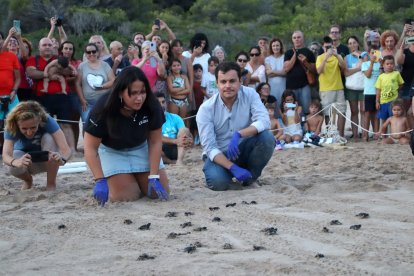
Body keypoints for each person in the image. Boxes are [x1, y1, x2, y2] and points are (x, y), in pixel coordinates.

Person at [83, 66, 169, 203]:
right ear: (120, 93)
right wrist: (100, 179)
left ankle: (139, 178)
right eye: (133, 93)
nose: (139, 98)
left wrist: (154, 176)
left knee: (158, 193)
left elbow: (155, 142)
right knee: (125, 196)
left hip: (141, 147)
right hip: (112, 151)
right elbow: (90, 148)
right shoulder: (103, 108)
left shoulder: (152, 105)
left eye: (143, 92)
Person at [196, 61, 275, 191]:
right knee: (218, 183)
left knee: (267, 137)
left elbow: (264, 121)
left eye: (232, 81)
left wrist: (239, 134)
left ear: (240, 81)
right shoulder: (206, 109)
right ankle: (229, 174)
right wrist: (233, 167)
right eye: (223, 82)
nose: (228, 86)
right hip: (220, 155)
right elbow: (209, 148)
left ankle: (251, 178)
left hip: (244, 149)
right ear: (217, 83)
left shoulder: (250, 94)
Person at [2, 101, 71, 190]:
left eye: (33, 127)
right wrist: (15, 162)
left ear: (39, 121)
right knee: (12, 164)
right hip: (25, 158)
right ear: (17, 124)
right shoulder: (11, 125)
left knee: (49, 138)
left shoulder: (46, 119)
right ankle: (28, 180)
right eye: (24, 128)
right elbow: (5, 155)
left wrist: (62, 160)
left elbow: (66, 150)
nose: (29, 132)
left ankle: (51, 183)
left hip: (46, 157)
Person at [75, 43, 115, 124]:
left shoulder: (105, 65)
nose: (91, 54)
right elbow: (77, 84)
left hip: (104, 101)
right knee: (87, 123)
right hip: (87, 103)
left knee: (104, 124)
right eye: (88, 52)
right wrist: (82, 100)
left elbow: (113, 80)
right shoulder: (82, 66)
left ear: (97, 52)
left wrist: (102, 86)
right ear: (85, 54)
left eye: (93, 51)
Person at [316, 36, 347, 137]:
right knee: (327, 113)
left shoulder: (337, 56)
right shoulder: (320, 58)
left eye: (329, 46)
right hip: (326, 89)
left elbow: (343, 67)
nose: (328, 49)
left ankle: (341, 135)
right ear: (322, 47)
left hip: (338, 87)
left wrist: (336, 55)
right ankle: (330, 134)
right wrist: (325, 57)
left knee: (341, 111)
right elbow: (319, 71)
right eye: (326, 47)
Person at [284, 30, 316, 115]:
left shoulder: (309, 52)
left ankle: (305, 127)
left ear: (303, 39)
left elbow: (314, 69)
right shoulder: (288, 53)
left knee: (306, 109)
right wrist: (294, 55)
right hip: (291, 87)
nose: (297, 39)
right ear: (292, 40)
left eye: (299, 37)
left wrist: (305, 62)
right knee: (291, 109)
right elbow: (286, 69)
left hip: (305, 85)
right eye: (294, 38)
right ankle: (293, 128)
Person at [156, 92, 193, 165]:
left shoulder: (175, 117)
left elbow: (184, 133)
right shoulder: (150, 120)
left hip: (177, 148)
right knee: (152, 146)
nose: (161, 105)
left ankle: (179, 161)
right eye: (158, 103)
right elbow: (155, 137)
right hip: (162, 150)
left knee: (185, 130)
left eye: (163, 102)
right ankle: (171, 162)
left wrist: (189, 138)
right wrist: (175, 141)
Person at [0, 33, 21, 151]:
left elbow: (17, 78)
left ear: (3, 41)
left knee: (16, 120)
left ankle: (15, 147)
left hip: (11, 94)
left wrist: (14, 90)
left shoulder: (11, 56)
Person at [344, 36, 365, 141]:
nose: (352, 45)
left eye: (354, 42)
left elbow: (365, 67)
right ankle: (355, 134)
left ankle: (365, 134)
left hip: (364, 87)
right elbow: (346, 73)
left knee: (363, 110)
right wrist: (358, 68)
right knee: (354, 111)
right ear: (348, 45)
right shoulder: (346, 57)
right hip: (351, 87)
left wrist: (359, 56)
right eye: (350, 43)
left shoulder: (364, 54)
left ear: (358, 43)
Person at [375, 55, 404, 127]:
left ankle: (393, 136)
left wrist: (396, 89)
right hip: (383, 102)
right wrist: (377, 101)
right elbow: (378, 90)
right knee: (384, 120)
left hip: (394, 102)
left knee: (394, 120)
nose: (389, 65)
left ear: (394, 65)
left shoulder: (396, 74)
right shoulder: (381, 76)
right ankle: (384, 136)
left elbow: (401, 84)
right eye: (387, 64)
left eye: (391, 64)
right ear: (383, 65)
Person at [361, 49, 380, 141]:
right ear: (369, 54)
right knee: (367, 113)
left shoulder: (381, 64)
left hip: (378, 91)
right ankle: (365, 134)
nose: (374, 55)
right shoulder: (365, 64)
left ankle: (376, 134)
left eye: (376, 52)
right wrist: (372, 63)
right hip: (369, 91)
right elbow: (368, 75)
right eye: (372, 53)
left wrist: (381, 64)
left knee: (376, 113)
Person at [396, 23, 414, 115]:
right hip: (406, 85)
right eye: (412, 32)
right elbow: (398, 60)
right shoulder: (405, 52)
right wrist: (404, 41)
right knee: (405, 113)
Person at [265, 38, 286, 103]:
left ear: (280, 47)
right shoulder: (268, 59)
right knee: (272, 104)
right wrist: (280, 72)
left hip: (283, 85)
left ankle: (288, 113)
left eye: (277, 45)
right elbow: (268, 73)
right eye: (273, 46)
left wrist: (272, 71)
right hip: (271, 86)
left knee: (284, 103)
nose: (275, 47)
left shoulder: (285, 57)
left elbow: (285, 72)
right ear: (271, 47)